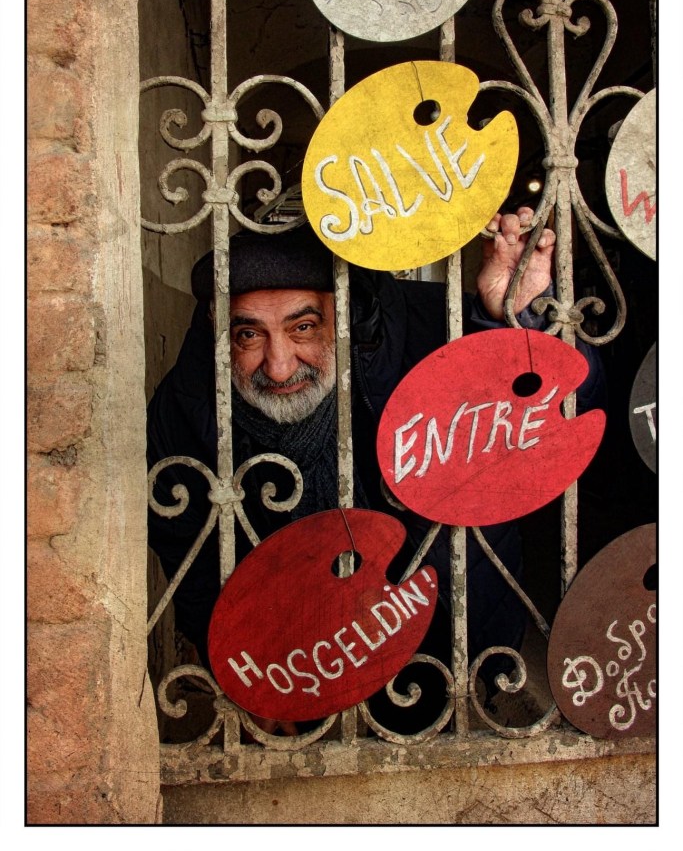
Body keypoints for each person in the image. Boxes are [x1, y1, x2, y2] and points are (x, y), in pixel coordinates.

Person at [147, 208, 603, 733]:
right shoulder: (187, 407)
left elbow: (570, 414)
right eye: (249, 335)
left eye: (303, 327)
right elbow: (193, 562)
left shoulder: (429, 326)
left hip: (450, 636)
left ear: (342, 309)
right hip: (304, 661)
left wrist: (522, 323)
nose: (279, 364)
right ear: (217, 330)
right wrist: (244, 672)